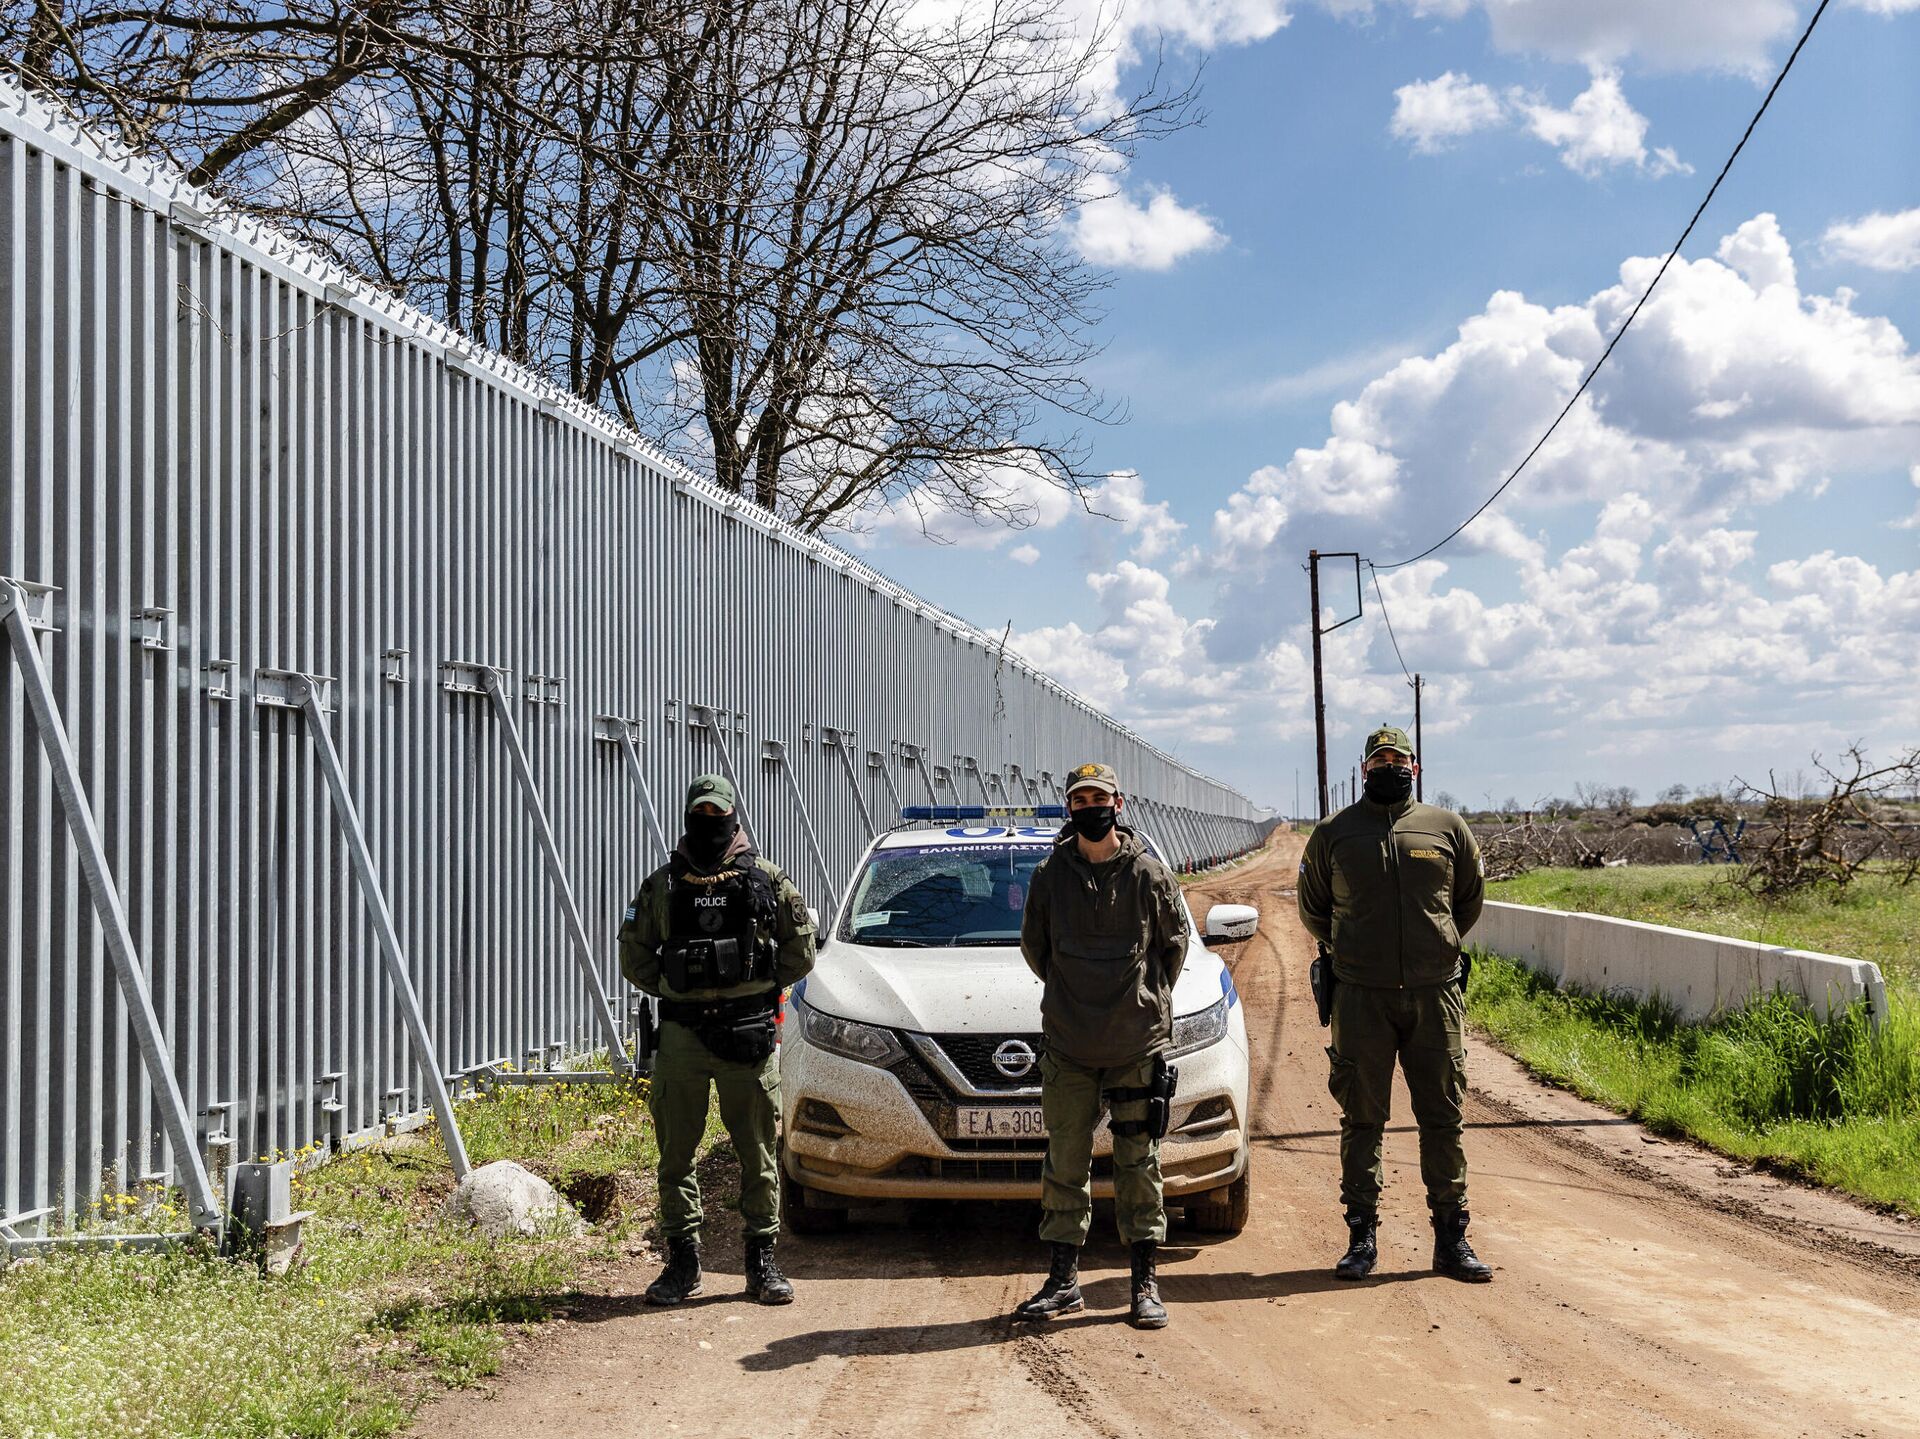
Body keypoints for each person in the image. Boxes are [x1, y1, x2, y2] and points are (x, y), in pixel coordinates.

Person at [1296, 725, 1491, 1283]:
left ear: (1415, 766)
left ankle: (1451, 1241)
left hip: (1436, 994)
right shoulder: (1335, 833)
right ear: (1364, 769)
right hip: (1360, 996)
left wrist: (1438, 946)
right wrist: (1352, 949)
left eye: (1399, 758)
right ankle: (1362, 1238)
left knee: (1444, 1118)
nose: (1390, 766)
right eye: (1379, 759)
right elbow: (1314, 908)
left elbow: (1468, 900)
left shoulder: (1446, 827)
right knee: (1362, 1119)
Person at [619, 774, 816, 1305]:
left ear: (734, 817)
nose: (709, 824)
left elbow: (802, 951)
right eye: (700, 816)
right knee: (675, 1152)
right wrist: (674, 985)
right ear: (687, 817)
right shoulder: (662, 885)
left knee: (756, 1151)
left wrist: (755, 984)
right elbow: (633, 953)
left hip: (747, 1034)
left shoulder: (766, 880)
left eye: (718, 815)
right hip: (682, 1034)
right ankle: (682, 1263)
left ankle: (761, 1262)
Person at [1015, 761, 1190, 1329]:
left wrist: (1140, 1003)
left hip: (1134, 1046)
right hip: (1069, 1045)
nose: (1091, 807)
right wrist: (1072, 996)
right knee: (1065, 1162)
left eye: (1100, 797)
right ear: (1070, 808)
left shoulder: (1148, 874)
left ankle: (1144, 1284)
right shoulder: (1049, 875)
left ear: (1119, 803)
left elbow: (1173, 948)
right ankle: (1064, 1282)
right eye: (1080, 799)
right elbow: (1037, 951)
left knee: (1139, 1163)